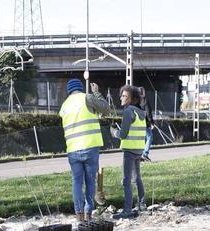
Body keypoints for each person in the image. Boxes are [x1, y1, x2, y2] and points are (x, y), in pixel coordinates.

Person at [59, 77, 110, 221]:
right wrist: (96, 93)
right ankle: (88, 213)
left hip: (73, 149)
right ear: (80, 88)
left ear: (69, 91)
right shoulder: (87, 98)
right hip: (89, 146)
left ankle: (79, 214)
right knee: (90, 181)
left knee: (76, 182)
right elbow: (106, 109)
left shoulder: (64, 106)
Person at [113, 85, 147, 219]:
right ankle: (141, 204)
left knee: (126, 180)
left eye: (125, 96)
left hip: (129, 150)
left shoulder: (128, 111)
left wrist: (114, 132)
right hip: (139, 149)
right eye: (121, 95)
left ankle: (127, 210)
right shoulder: (141, 113)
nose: (121, 98)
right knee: (137, 178)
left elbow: (123, 134)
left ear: (132, 99)